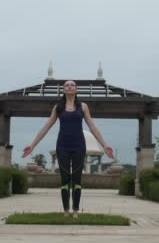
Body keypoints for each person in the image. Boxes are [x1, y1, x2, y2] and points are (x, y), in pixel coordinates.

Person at [22, 80, 114, 218]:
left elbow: (92, 127)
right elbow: (46, 127)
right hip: (62, 147)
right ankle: (66, 210)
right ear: (63, 90)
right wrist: (32, 145)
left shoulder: (83, 107)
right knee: (65, 180)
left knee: (77, 180)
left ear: (76, 89)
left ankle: (75, 211)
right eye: (66, 85)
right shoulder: (58, 107)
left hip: (79, 146)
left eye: (72, 85)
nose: (69, 86)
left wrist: (104, 144)